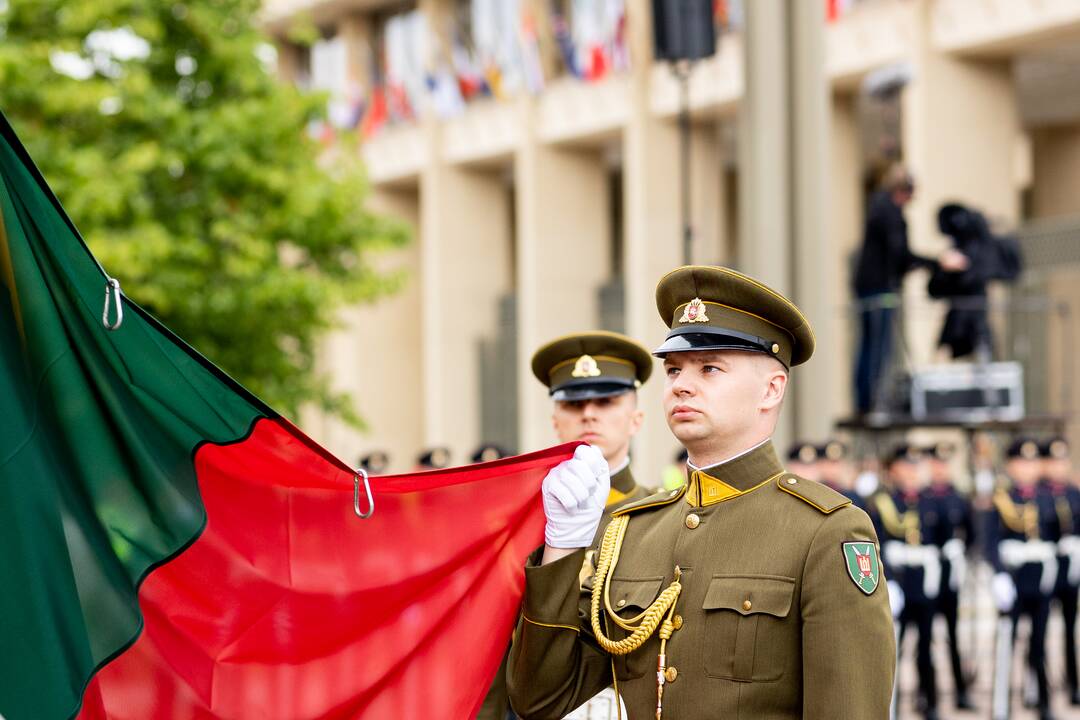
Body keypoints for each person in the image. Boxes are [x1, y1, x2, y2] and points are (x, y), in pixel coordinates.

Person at [507, 265, 895, 719]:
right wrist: (563, 547)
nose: (681, 385)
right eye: (673, 370)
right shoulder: (632, 530)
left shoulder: (823, 532)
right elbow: (541, 697)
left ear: (771, 389)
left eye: (709, 368)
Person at [478, 331, 654, 720]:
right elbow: (489, 645)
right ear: (556, 421)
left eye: (606, 401)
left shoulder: (662, 515)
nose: (588, 413)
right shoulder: (514, 524)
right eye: (573, 404)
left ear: (636, 419)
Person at [851, 165, 967, 414]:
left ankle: (865, 400)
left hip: (869, 286)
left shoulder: (878, 208)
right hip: (880, 289)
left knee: (869, 345)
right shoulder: (890, 214)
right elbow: (901, 256)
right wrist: (938, 262)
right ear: (904, 192)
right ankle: (871, 401)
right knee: (878, 347)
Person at [986, 438, 1059, 720]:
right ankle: (1001, 706)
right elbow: (990, 541)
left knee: (1040, 646)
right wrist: (1000, 574)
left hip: (1039, 581)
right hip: (1013, 583)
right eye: (1021, 462)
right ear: (1010, 465)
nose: (1027, 468)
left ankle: (1043, 703)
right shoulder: (1001, 498)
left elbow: (1054, 535)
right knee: (1006, 645)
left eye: (1031, 462)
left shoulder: (1045, 497)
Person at [872, 445, 942, 720]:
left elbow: (941, 538)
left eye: (916, 467)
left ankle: (930, 701)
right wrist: (888, 578)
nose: (912, 473)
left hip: (924, 583)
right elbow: (877, 543)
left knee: (927, 646)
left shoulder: (928, 500)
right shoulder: (881, 502)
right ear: (893, 470)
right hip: (897, 583)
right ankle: (891, 707)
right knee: (892, 651)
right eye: (906, 467)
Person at [929, 202, 1023, 360]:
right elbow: (934, 290)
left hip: (976, 322)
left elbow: (986, 272)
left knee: (983, 362)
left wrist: (964, 266)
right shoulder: (959, 250)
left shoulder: (983, 250)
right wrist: (943, 268)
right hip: (957, 322)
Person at [922, 442, 976, 710]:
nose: (941, 469)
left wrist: (961, 551)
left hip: (950, 576)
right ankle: (927, 693)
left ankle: (961, 691)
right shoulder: (922, 497)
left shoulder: (958, 497)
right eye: (936, 463)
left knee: (955, 637)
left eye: (945, 463)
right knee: (925, 639)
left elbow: (971, 533)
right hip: (926, 578)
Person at [1042, 437, 1080, 706]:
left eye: (1062, 460)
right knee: (1040, 631)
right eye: (1053, 460)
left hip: (1068, 570)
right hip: (1044, 572)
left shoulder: (1073, 492)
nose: (1058, 466)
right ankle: (1039, 687)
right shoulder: (1038, 493)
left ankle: (1073, 683)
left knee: (1070, 628)